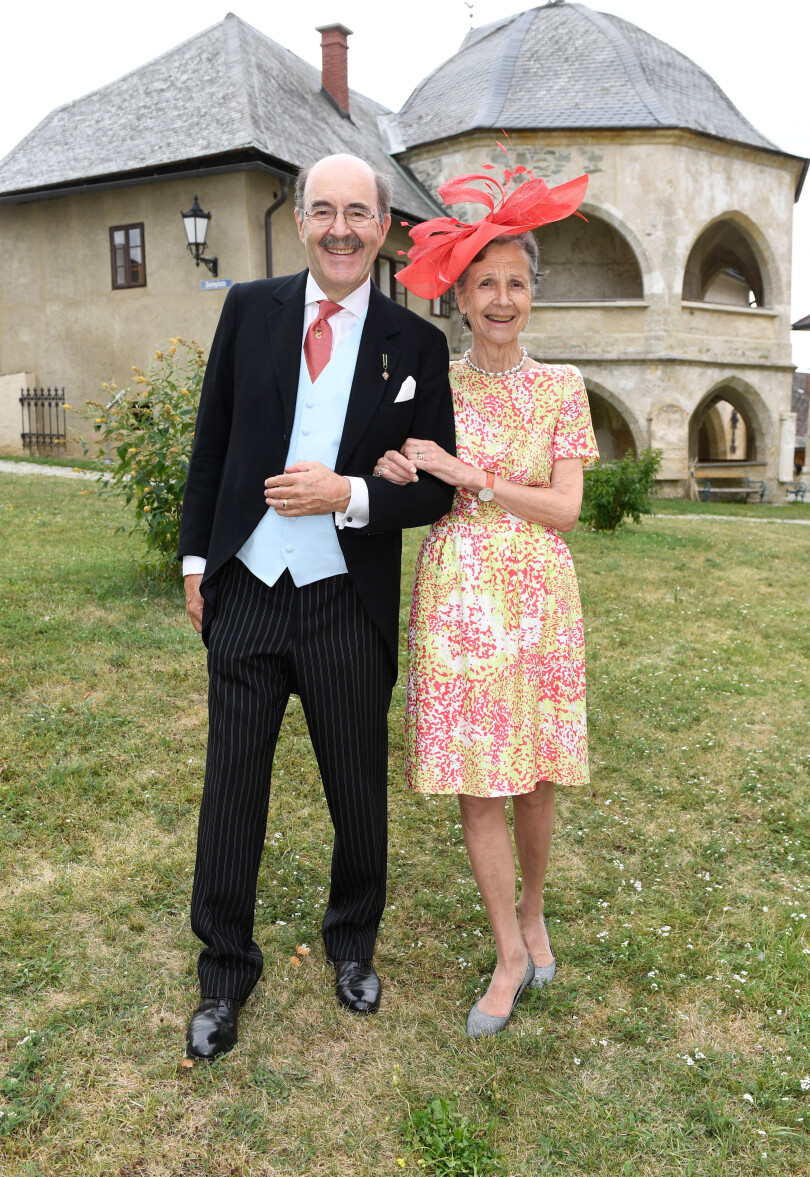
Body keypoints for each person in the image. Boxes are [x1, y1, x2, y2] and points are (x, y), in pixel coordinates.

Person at [178, 153, 456, 1059]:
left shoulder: (415, 347)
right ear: (301, 220)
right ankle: (223, 971)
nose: (342, 228)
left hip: (346, 598)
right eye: (324, 210)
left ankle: (353, 942)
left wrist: (351, 494)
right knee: (232, 792)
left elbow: (436, 489)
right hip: (250, 589)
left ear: (385, 228)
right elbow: (211, 439)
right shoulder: (248, 310)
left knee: (356, 790)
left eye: (359, 213)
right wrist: (196, 560)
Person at [376, 161, 598, 1037]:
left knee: (537, 777)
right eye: (484, 284)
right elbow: (403, 474)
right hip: (460, 600)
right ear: (460, 298)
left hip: (540, 595)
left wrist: (480, 476)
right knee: (480, 784)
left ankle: (535, 910)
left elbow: (568, 509)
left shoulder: (562, 388)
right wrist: (398, 468)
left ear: (532, 294)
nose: (500, 299)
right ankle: (509, 948)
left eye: (515, 282)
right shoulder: (433, 379)